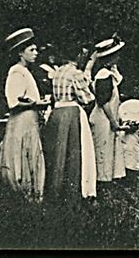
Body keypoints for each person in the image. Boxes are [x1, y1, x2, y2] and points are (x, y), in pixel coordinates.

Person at [42, 40, 98, 200]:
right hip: (71, 112)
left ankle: (56, 190)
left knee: (58, 153)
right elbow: (87, 98)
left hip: (57, 112)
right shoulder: (75, 73)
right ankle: (74, 192)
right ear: (79, 54)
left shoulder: (58, 71)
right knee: (75, 153)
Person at [0, 28, 47, 202]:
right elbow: (14, 101)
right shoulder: (16, 71)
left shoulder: (26, 71)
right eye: (31, 50)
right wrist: (37, 103)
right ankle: (22, 194)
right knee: (21, 155)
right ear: (20, 53)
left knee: (30, 153)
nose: (35, 53)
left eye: (35, 49)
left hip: (29, 120)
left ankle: (32, 195)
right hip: (21, 121)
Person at [90, 36, 127, 183]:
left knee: (109, 150)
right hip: (103, 118)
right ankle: (102, 183)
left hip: (108, 116)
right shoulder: (103, 76)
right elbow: (104, 102)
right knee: (103, 151)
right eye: (116, 55)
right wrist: (113, 122)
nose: (118, 57)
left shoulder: (109, 73)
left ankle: (109, 180)